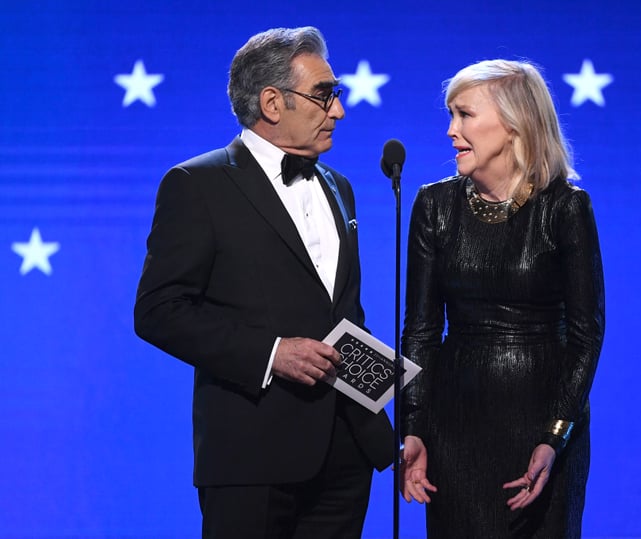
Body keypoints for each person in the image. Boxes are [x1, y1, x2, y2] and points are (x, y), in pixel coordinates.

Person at [133, 26, 393, 539]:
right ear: (272, 102)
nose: (338, 110)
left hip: (346, 453)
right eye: (324, 95)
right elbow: (159, 310)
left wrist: (387, 424)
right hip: (252, 457)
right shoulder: (197, 184)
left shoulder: (339, 186)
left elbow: (342, 315)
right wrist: (272, 354)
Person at [399, 59, 605, 538]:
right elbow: (422, 331)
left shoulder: (566, 208)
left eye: (464, 115)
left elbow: (586, 333)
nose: (451, 131)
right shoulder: (434, 206)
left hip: (543, 422)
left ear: (513, 123)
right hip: (455, 424)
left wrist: (556, 434)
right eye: (450, 115)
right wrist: (414, 426)